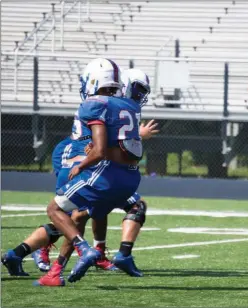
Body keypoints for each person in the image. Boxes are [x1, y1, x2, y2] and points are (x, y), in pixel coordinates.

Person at [30, 68, 157, 278]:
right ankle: (38, 252)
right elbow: (100, 146)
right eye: (136, 89)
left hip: (102, 166)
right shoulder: (111, 105)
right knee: (73, 213)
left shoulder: (113, 105)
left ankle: (85, 255)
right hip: (84, 159)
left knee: (80, 211)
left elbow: (113, 145)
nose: (138, 95)